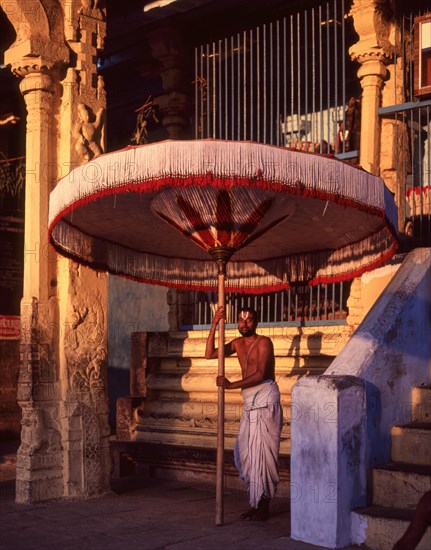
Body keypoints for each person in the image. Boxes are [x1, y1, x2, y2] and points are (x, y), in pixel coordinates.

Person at [205, 305, 283, 521]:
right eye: (240, 320)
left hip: (265, 399)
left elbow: (260, 373)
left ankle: (263, 505)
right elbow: (209, 354)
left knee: (264, 456)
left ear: (256, 322)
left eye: (248, 320)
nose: (244, 323)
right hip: (249, 402)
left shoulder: (265, 342)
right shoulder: (237, 343)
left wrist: (230, 386)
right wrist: (214, 323)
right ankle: (256, 502)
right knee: (245, 454)